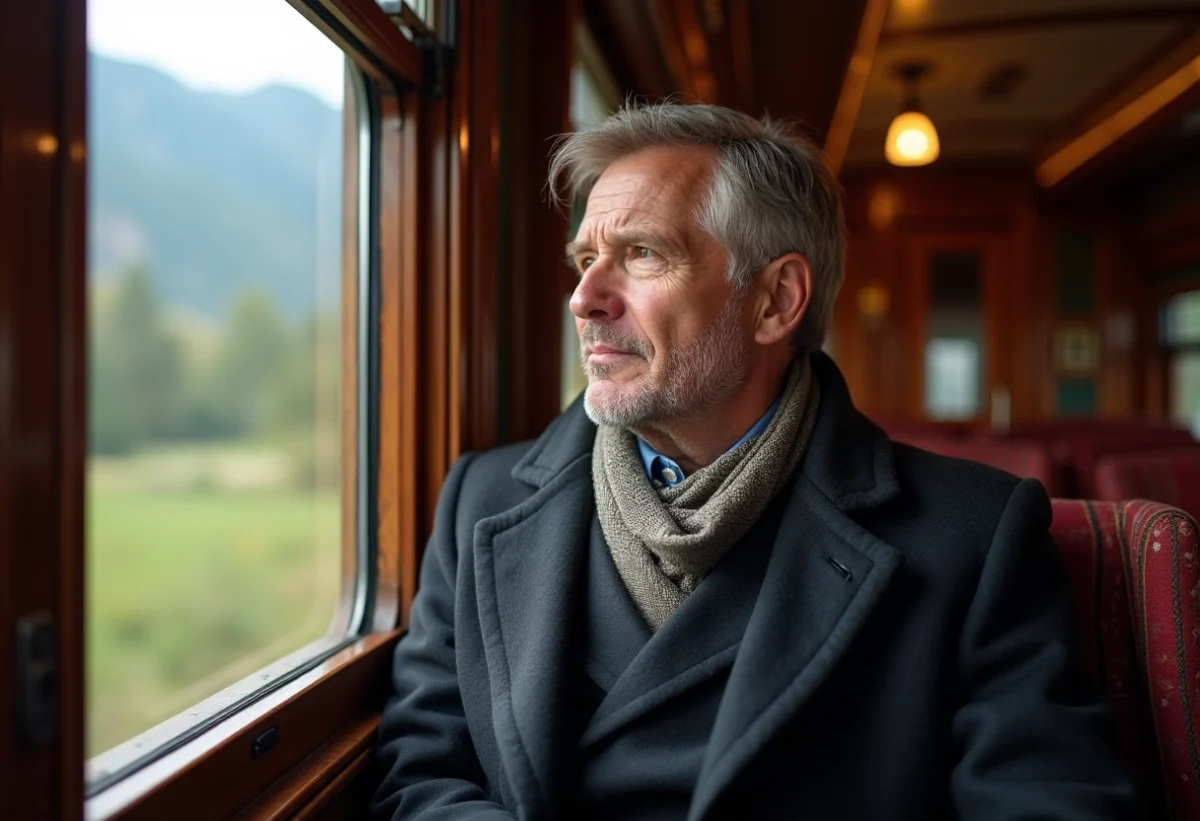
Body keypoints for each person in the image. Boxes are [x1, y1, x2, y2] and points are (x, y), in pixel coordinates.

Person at [371, 102, 1138, 820]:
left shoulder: (976, 535)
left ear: (776, 300)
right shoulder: (480, 499)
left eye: (640, 255)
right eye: (584, 258)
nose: (584, 297)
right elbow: (420, 773)